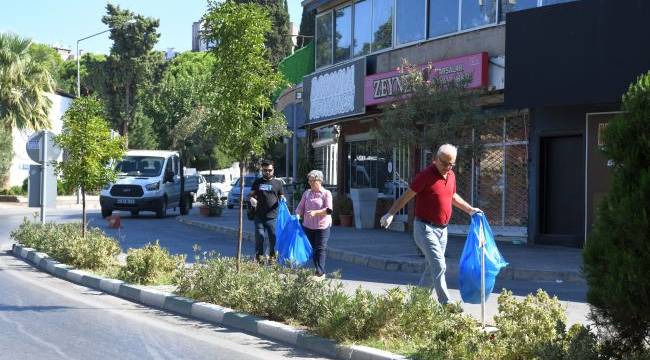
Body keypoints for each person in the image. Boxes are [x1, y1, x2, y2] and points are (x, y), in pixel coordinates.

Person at [380, 144, 481, 305]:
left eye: (451, 164)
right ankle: (446, 303)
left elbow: (452, 196)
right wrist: (390, 213)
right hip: (424, 228)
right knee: (440, 265)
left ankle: (415, 305)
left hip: (443, 230)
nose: (448, 167)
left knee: (431, 269)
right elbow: (406, 197)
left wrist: (470, 210)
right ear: (436, 159)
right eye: (445, 163)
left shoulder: (451, 175)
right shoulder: (425, 176)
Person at [295, 170, 333, 280]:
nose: (310, 183)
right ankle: (318, 270)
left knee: (320, 248)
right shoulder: (307, 193)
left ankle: (320, 273)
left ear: (319, 181)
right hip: (308, 226)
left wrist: (315, 212)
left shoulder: (326, 193)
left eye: (313, 180)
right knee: (312, 249)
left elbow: (329, 210)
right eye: (309, 180)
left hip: (322, 226)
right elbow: (300, 207)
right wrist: (297, 215)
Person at [248, 160, 284, 263]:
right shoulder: (257, 182)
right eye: (265, 170)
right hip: (259, 215)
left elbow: (281, 195)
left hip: (273, 217)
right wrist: (251, 199)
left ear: (273, 170)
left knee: (273, 238)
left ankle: (272, 259)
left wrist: (283, 199)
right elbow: (250, 194)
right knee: (260, 236)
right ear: (262, 170)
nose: (267, 172)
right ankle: (259, 259)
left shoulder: (278, 183)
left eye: (270, 170)